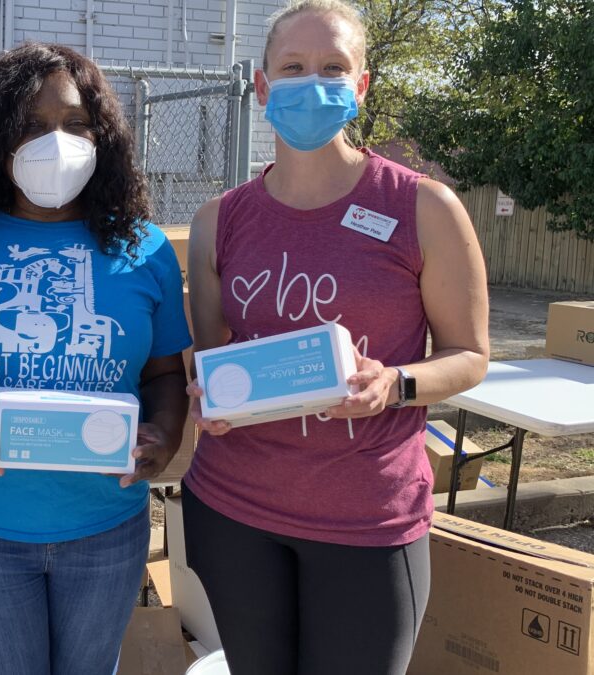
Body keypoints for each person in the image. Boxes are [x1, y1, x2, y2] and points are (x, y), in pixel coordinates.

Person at [183, 1, 490, 673]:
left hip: (367, 520)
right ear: (261, 87)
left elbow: (471, 357)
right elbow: (212, 364)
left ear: (361, 86)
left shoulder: (422, 207)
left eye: (332, 67)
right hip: (234, 511)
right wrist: (207, 400)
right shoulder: (219, 221)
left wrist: (395, 383)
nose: (311, 82)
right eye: (292, 67)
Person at [0, 43, 191, 674]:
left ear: (102, 136)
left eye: (75, 124)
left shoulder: (144, 248)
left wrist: (164, 438)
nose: (54, 141)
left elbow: (166, 372)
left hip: (107, 525)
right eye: (31, 126)